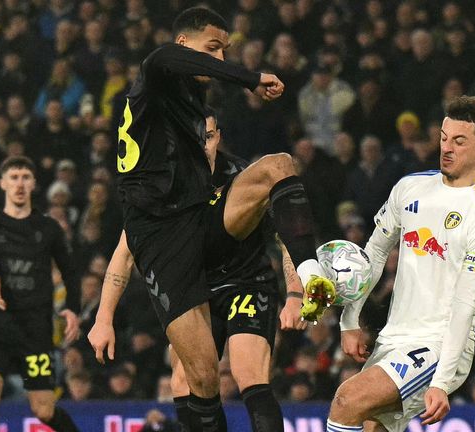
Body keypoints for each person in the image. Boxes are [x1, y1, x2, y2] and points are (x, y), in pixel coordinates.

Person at [114, 7, 334, 430]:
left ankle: (313, 273)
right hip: (160, 239)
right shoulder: (156, 74)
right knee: (200, 378)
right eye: (212, 48)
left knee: (278, 165)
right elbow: (170, 58)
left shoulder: (193, 106)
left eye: (224, 51)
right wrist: (250, 77)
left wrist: (294, 286)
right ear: (184, 44)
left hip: (200, 222)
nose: (218, 58)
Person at [90, 111, 305, 432]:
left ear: (219, 137)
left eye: (209, 137)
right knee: (183, 380)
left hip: (247, 281)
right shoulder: (160, 187)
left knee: (249, 374)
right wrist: (103, 318)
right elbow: (124, 254)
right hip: (194, 290)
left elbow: (285, 236)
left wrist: (295, 292)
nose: (202, 146)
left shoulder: (241, 178)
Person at [326, 96, 475, 431]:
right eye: (443, 138)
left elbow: (466, 302)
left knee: (347, 400)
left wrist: (441, 381)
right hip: (393, 337)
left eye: (459, 141)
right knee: (369, 427)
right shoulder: (410, 188)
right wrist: (349, 318)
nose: (447, 148)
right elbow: (375, 252)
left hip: (438, 344)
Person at [0, 156, 81, 432]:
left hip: (35, 331)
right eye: (14, 177)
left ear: (33, 183)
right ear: (2, 183)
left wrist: (72, 308)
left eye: (25, 177)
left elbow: (70, 271)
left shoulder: (49, 228)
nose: (19, 184)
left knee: (43, 410)